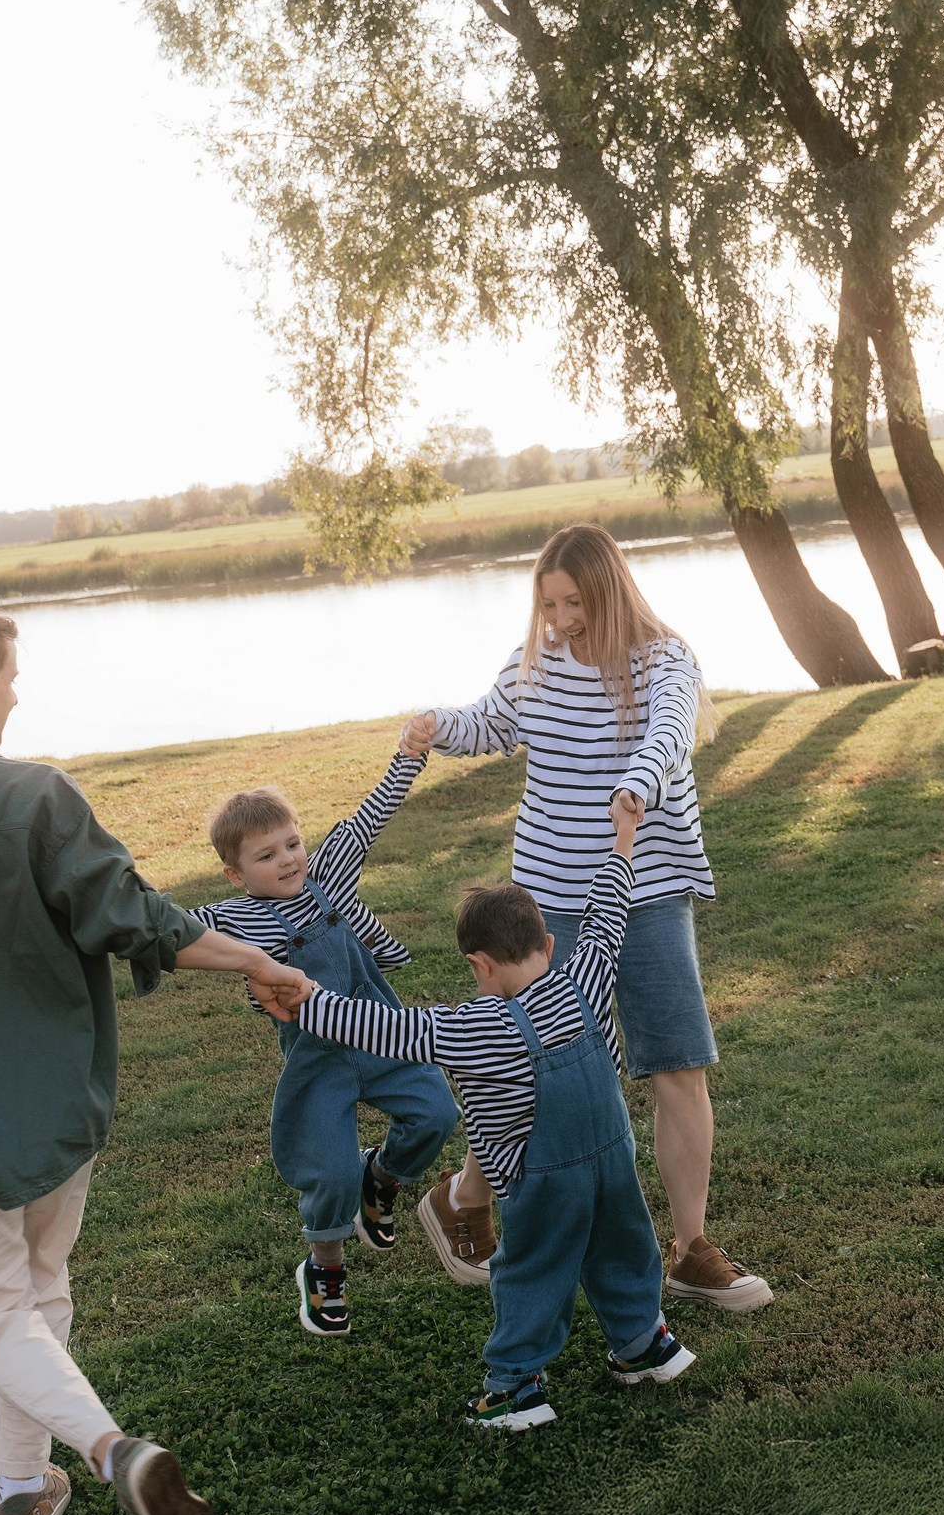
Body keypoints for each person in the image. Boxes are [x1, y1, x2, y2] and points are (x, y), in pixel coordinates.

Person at [0, 592, 307, 1515]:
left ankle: (88, 1457)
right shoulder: (36, 796)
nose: (15, 696)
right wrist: (255, 960)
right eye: (8, 679)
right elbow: (137, 919)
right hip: (52, 1104)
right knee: (35, 1289)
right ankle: (36, 1480)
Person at [409, 522, 773, 1313]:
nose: (561, 620)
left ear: (607, 592)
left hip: (648, 887)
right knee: (541, 1063)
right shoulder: (534, 664)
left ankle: (690, 1249)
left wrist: (635, 786)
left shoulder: (665, 659)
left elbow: (668, 732)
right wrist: (436, 724)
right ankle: (464, 1196)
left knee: (677, 1063)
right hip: (549, 896)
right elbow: (489, 724)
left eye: (574, 603)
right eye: (549, 605)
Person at [252, 793, 693, 1431]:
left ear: (478, 964)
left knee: (533, 1270)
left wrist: (306, 999)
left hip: (542, 1182)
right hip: (614, 1160)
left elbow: (386, 1029)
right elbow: (607, 910)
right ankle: (644, 1343)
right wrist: (623, 836)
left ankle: (515, 1388)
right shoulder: (590, 973)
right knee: (623, 1246)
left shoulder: (476, 1026)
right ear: (548, 942)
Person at [186, 742, 458, 1338]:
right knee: (330, 1172)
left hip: (380, 1033)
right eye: (266, 856)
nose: (288, 861)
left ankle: (380, 1177)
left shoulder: (326, 877)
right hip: (317, 1060)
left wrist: (409, 758)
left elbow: (369, 818)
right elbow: (165, 927)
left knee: (437, 1113)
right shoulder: (236, 919)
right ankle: (325, 1267)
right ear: (235, 875)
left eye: (292, 844)